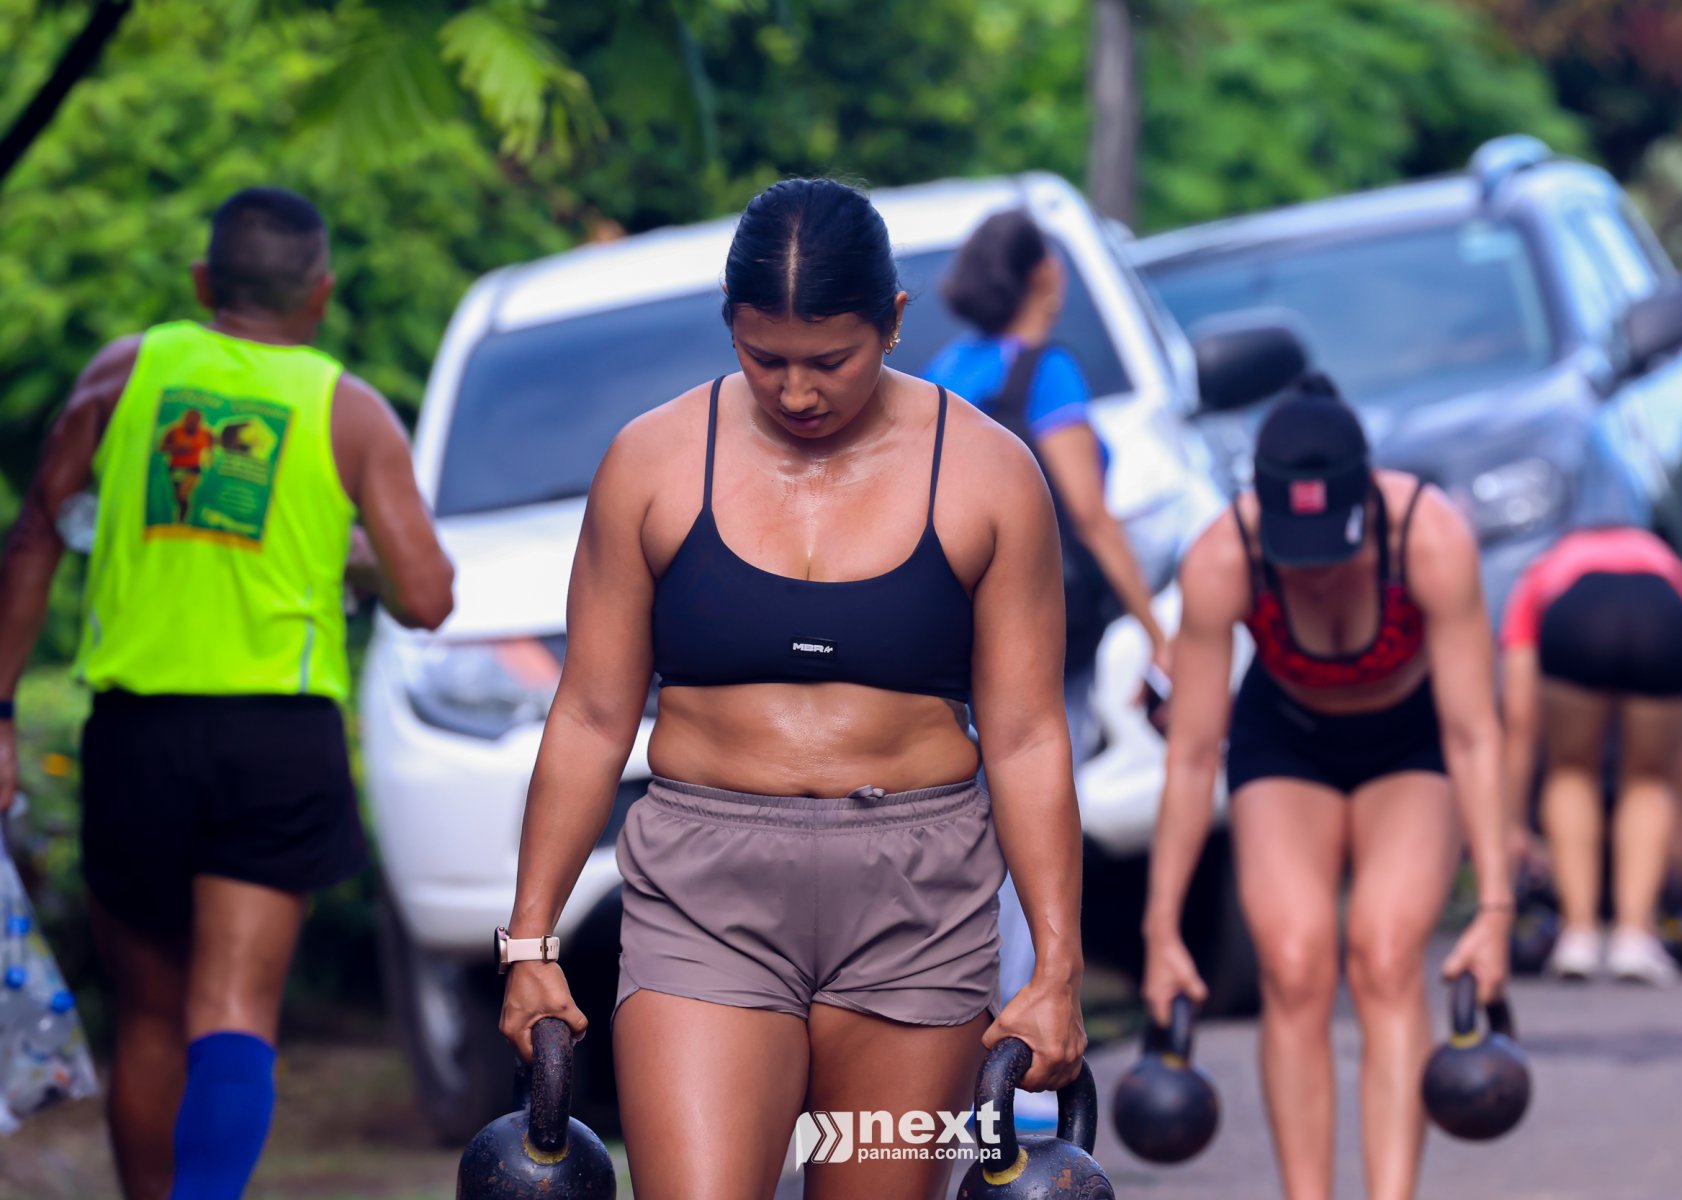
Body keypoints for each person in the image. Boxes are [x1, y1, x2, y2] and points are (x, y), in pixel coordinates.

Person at [497, 178, 1087, 1200]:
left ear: (892, 321)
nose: (798, 393)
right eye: (764, 358)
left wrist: (1057, 967)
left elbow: (1029, 735)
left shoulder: (990, 475)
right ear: (729, 323)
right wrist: (531, 942)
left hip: (918, 901)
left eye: (831, 361)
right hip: (706, 890)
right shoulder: (651, 463)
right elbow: (591, 715)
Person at [0, 187, 454, 1200]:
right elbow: (427, 596)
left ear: (205, 282)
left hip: (137, 735)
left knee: (150, 1021)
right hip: (276, 741)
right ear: (320, 294)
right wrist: (352, 557)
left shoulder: (124, 372)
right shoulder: (348, 408)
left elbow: (33, 534)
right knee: (234, 1012)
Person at [1142, 373, 1512, 1200]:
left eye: (1331, 547)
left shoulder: (1429, 538)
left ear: (1366, 499)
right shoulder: (1223, 558)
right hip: (1288, 740)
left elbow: (1474, 734)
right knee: (1295, 962)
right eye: (1295, 550)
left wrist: (1494, 908)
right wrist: (1162, 929)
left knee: (1384, 954)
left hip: (1410, 741)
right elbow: (1193, 755)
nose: (1312, 575)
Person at [923, 208, 1168, 1129]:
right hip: (1030, 628)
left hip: (946, 628)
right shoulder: (1047, 371)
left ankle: (949, 1057)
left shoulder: (943, 372)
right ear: (1039, 277)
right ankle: (1016, 1067)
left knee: (961, 833)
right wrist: (1156, 626)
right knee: (1027, 833)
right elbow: (1088, 513)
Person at [1498, 526, 1682, 986]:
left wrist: (1512, 825)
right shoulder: (1668, 565)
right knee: (1648, 777)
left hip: (1579, 615)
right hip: (1664, 616)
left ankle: (1578, 936)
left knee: (1571, 770)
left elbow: (1519, 717)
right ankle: (1634, 938)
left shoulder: (1542, 571)